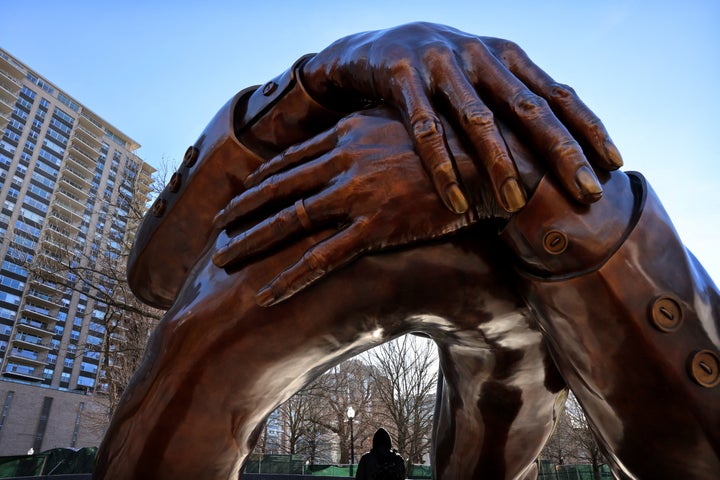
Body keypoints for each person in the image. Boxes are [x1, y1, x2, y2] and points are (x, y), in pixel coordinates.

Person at [95, 23, 718, 480]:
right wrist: (318, 76)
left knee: (505, 392)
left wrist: (527, 185)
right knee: (208, 342)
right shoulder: (331, 131)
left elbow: (697, 455)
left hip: (510, 289)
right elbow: (155, 274)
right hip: (340, 255)